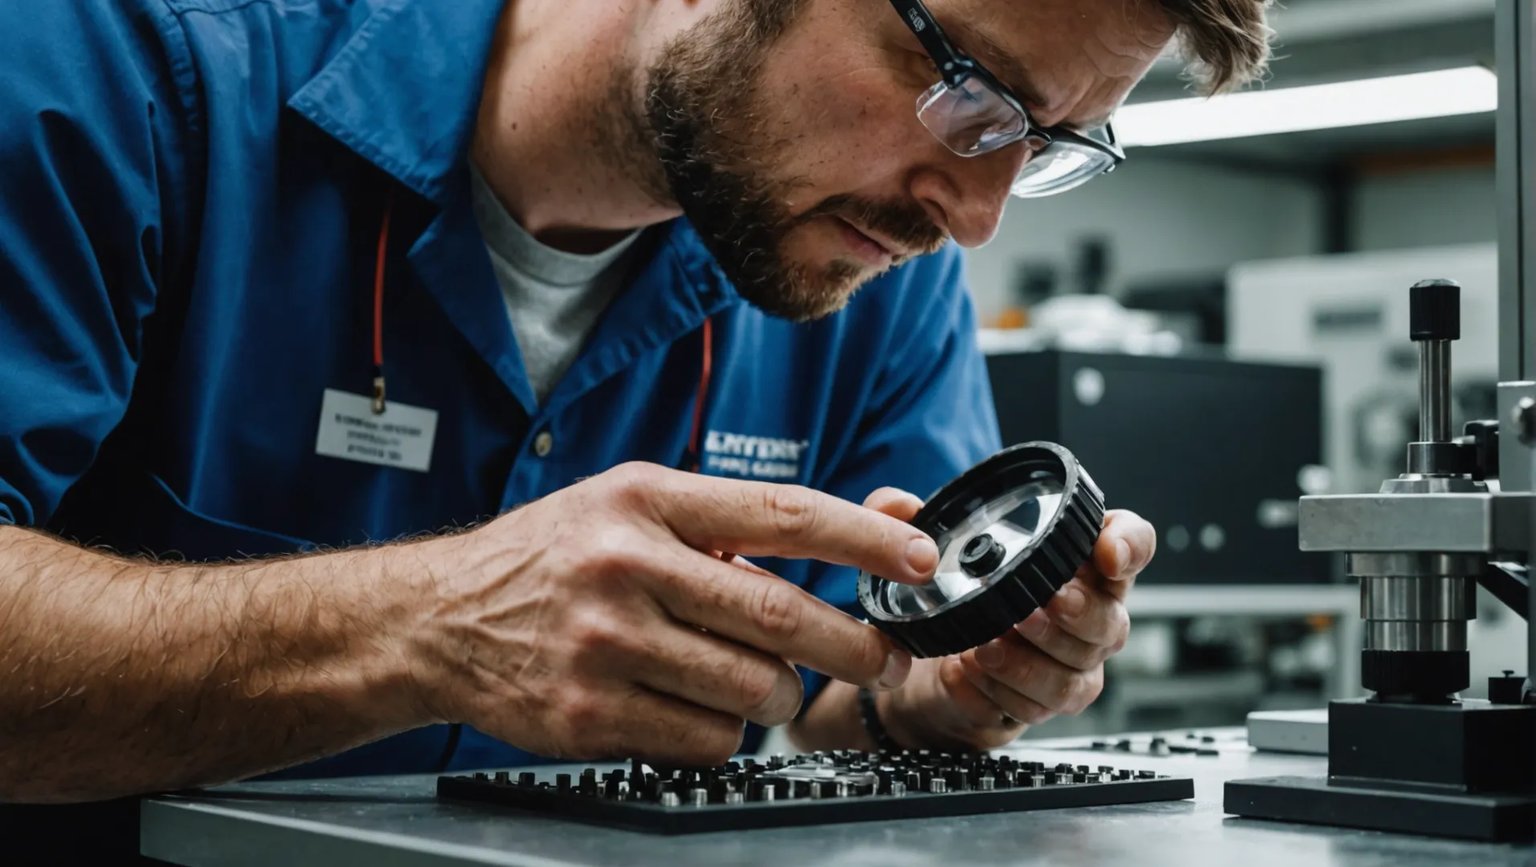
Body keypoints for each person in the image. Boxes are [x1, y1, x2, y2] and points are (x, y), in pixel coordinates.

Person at [0, 0, 1269, 803]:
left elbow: (830, 699)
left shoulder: (870, 271)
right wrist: (425, 624)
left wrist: (913, 698)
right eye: (968, 92)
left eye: (1038, 147)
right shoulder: (123, 65)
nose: (975, 216)